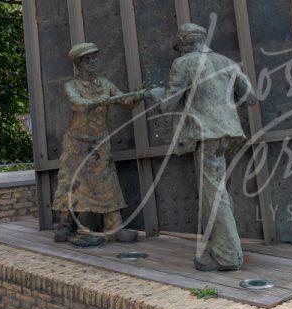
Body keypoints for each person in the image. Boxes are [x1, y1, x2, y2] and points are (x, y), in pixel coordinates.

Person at [151, 23, 256, 271]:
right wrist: (224, 106)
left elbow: (167, 104)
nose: (179, 53)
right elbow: (250, 96)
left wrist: (154, 94)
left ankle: (228, 255)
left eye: (179, 48)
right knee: (219, 193)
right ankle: (222, 246)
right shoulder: (226, 61)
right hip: (230, 134)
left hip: (207, 135)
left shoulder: (184, 63)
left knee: (214, 195)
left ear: (186, 43)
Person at [52, 43, 144, 246]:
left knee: (107, 183)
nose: (93, 62)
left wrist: (139, 95)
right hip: (76, 144)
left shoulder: (104, 83)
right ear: (78, 64)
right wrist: (99, 101)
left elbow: (124, 101)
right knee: (73, 184)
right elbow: (77, 104)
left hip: (100, 143)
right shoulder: (71, 86)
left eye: (94, 58)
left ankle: (114, 227)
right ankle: (68, 225)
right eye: (87, 59)